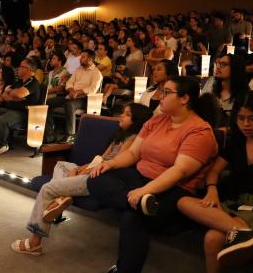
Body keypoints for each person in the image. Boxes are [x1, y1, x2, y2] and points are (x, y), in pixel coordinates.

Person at [87, 76, 218, 273]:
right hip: (141, 179)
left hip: (174, 189)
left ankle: (126, 268)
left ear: (184, 99)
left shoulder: (199, 130)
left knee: (133, 216)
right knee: (96, 178)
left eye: (166, 93)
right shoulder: (157, 120)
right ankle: (141, 203)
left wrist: (145, 190)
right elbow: (133, 154)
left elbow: (179, 171)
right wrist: (110, 164)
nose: (160, 97)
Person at [11, 103, 153, 256]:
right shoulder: (119, 136)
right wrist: (79, 168)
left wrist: (85, 171)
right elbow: (100, 158)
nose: (121, 116)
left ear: (137, 121)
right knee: (62, 165)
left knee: (48, 188)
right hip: (94, 168)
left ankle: (34, 243)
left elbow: (112, 165)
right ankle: (63, 197)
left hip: (100, 177)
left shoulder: (133, 139)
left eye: (126, 114)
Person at [177, 91, 253, 273]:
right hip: (236, 204)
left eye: (252, 118)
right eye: (240, 118)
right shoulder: (236, 142)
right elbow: (214, 170)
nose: (245, 124)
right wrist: (212, 189)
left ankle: (252, 235)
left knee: (212, 238)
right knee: (183, 202)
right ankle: (246, 234)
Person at [0, 58, 41, 158]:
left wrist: (11, 93)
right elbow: (4, 95)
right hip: (10, 109)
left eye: (21, 67)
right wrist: (13, 96)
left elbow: (18, 93)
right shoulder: (19, 82)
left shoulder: (33, 83)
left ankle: (3, 144)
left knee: (2, 120)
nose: (18, 69)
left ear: (29, 69)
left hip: (24, 113)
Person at [45, 50, 103, 142]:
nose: (80, 58)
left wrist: (77, 92)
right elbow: (69, 82)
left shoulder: (97, 73)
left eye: (83, 57)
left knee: (69, 105)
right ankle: (50, 135)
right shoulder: (78, 70)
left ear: (90, 59)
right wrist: (71, 90)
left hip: (85, 99)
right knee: (47, 103)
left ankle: (70, 135)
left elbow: (92, 90)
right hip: (71, 95)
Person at [201, 54, 248, 128]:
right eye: (218, 64)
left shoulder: (245, 95)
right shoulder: (211, 83)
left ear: (235, 68)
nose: (218, 67)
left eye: (223, 64)